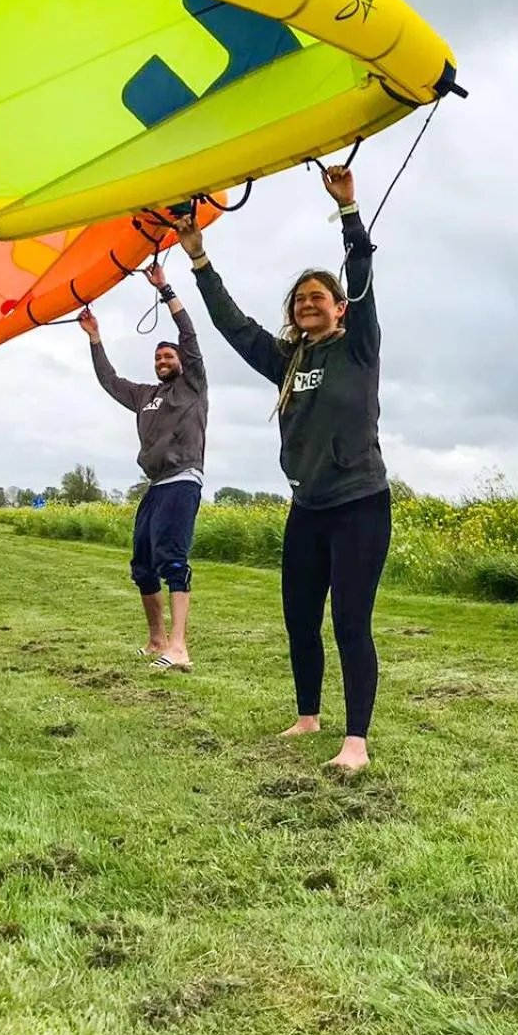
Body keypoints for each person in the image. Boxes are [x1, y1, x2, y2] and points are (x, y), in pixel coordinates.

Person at [175, 164, 388, 771]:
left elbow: (365, 279)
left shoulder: (358, 347)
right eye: (300, 300)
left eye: (318, 297)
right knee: (300, 617)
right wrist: (198, 257)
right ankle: (307, 716)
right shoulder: (286, 360)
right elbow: (232, 324)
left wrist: (348, 210)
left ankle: (356, 741)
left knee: (349, 620)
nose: (307, 304)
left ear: (340, 309)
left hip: (360, 505)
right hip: (308, 509)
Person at [77, 259, 208, 672]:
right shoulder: (145, 395)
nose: (164, 359)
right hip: (155, 487)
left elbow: (189, 334)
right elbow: (109, 380)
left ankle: (179, 647)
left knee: (172, 560)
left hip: (182, 481)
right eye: (159, 356)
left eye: (169, 355)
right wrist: (95, 337)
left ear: (182, 361)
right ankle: (156, 641)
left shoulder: (192, 385)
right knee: (142, 565)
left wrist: (165, 289)